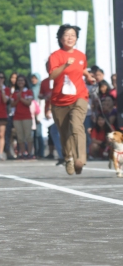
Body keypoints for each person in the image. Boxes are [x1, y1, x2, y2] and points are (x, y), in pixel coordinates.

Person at [49, 24, 96, 176]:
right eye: (67, 35)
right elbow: (52, 75)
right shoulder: (55, 56)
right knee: (65, 134)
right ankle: (68, 158)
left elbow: (82, 68)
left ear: (76, 38)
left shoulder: (81, 55)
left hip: (79, 96)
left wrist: (88, 76)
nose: (70, 38)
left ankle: (80, 159)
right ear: (60, 38)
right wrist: (64, 65)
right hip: (59, 101)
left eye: (73, 35)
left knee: (76, 125)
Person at [39, 62, 64, 165]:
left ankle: (66, 155)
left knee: (61, 132)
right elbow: (41, 95)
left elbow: (57, 96)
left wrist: (50, 108)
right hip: (51, 111)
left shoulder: (60, 79)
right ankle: (62, 155)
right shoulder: (45, 82)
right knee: (54, 132)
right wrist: (46, 98)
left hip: (61, 109)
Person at [11, 75, 34, 159]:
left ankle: (30, 153)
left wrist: (20, 98)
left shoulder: (28, 91)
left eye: (22, 80)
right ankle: (23, 153)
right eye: (19, 80)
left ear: (25, 82)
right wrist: (18, 99)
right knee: (20, 136)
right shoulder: (15, 93)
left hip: (27, 116)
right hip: (17, 117)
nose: (20, 82)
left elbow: (29, 103)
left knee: (28, 135)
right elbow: (12, 104)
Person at [4, 72, 18, 159]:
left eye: (16, 78)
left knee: (18, 135)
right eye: (12, 78)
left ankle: (20, 152)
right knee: (8, 134)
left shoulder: (20, 89)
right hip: (8, 113)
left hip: (18, 114)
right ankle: (8, 152)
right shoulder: (7, 89)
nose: (14, 80)